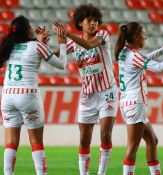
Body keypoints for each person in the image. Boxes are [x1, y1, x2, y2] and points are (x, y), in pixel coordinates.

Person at [114, 22, 163, 175]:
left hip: (128, 103)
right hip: (135, 104)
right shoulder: (134, 55)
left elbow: (144, 58)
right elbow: (159, 67)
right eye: (143, 34)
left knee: (152, 140)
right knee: (132, 146)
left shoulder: (125, 52)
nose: (145, 37)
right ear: (136, 37)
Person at [53, 4, 118, 175]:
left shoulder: (102, 35)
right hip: (87, 95)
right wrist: (41, 45)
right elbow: (57, 55)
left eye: (96, 20)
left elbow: (89, 45)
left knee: (105, 135)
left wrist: (67, 35)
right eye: (90, 20)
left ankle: (101, 173)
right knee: (83, 139)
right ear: (80, 22)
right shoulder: (73, 43)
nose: (94, 24)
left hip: (107, 92)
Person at [0, 15, 67, 175]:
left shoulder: (9, 47)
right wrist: (62, 44)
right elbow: (62, 64)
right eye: (30, 26)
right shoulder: (37, 46)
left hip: (8, 97)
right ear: (28, 30)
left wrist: (40, 42)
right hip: (28, 96)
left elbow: (27, 55)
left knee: (10, 144)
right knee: (36, 142)